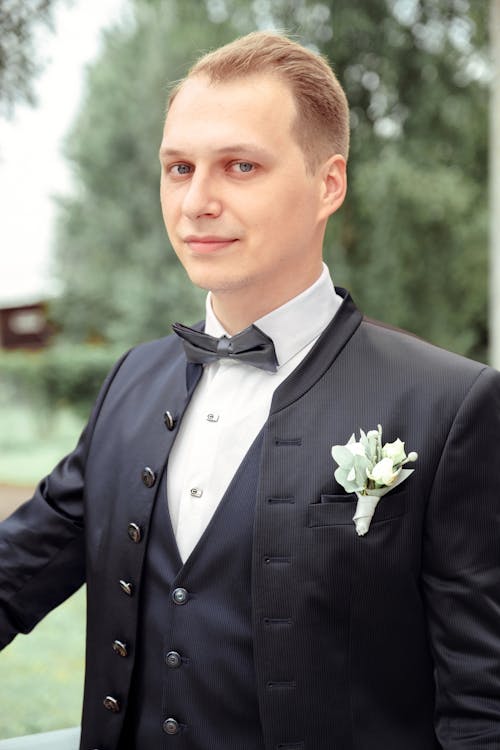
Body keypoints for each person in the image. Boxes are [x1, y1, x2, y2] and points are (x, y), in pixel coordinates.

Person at [1, 30, 500, 750]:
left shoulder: (452, 407)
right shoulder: (130, 383)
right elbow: (15, 573)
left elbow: (484, 707)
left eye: (240, 165)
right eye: (178, 168)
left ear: (328, 184)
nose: (197, 201)